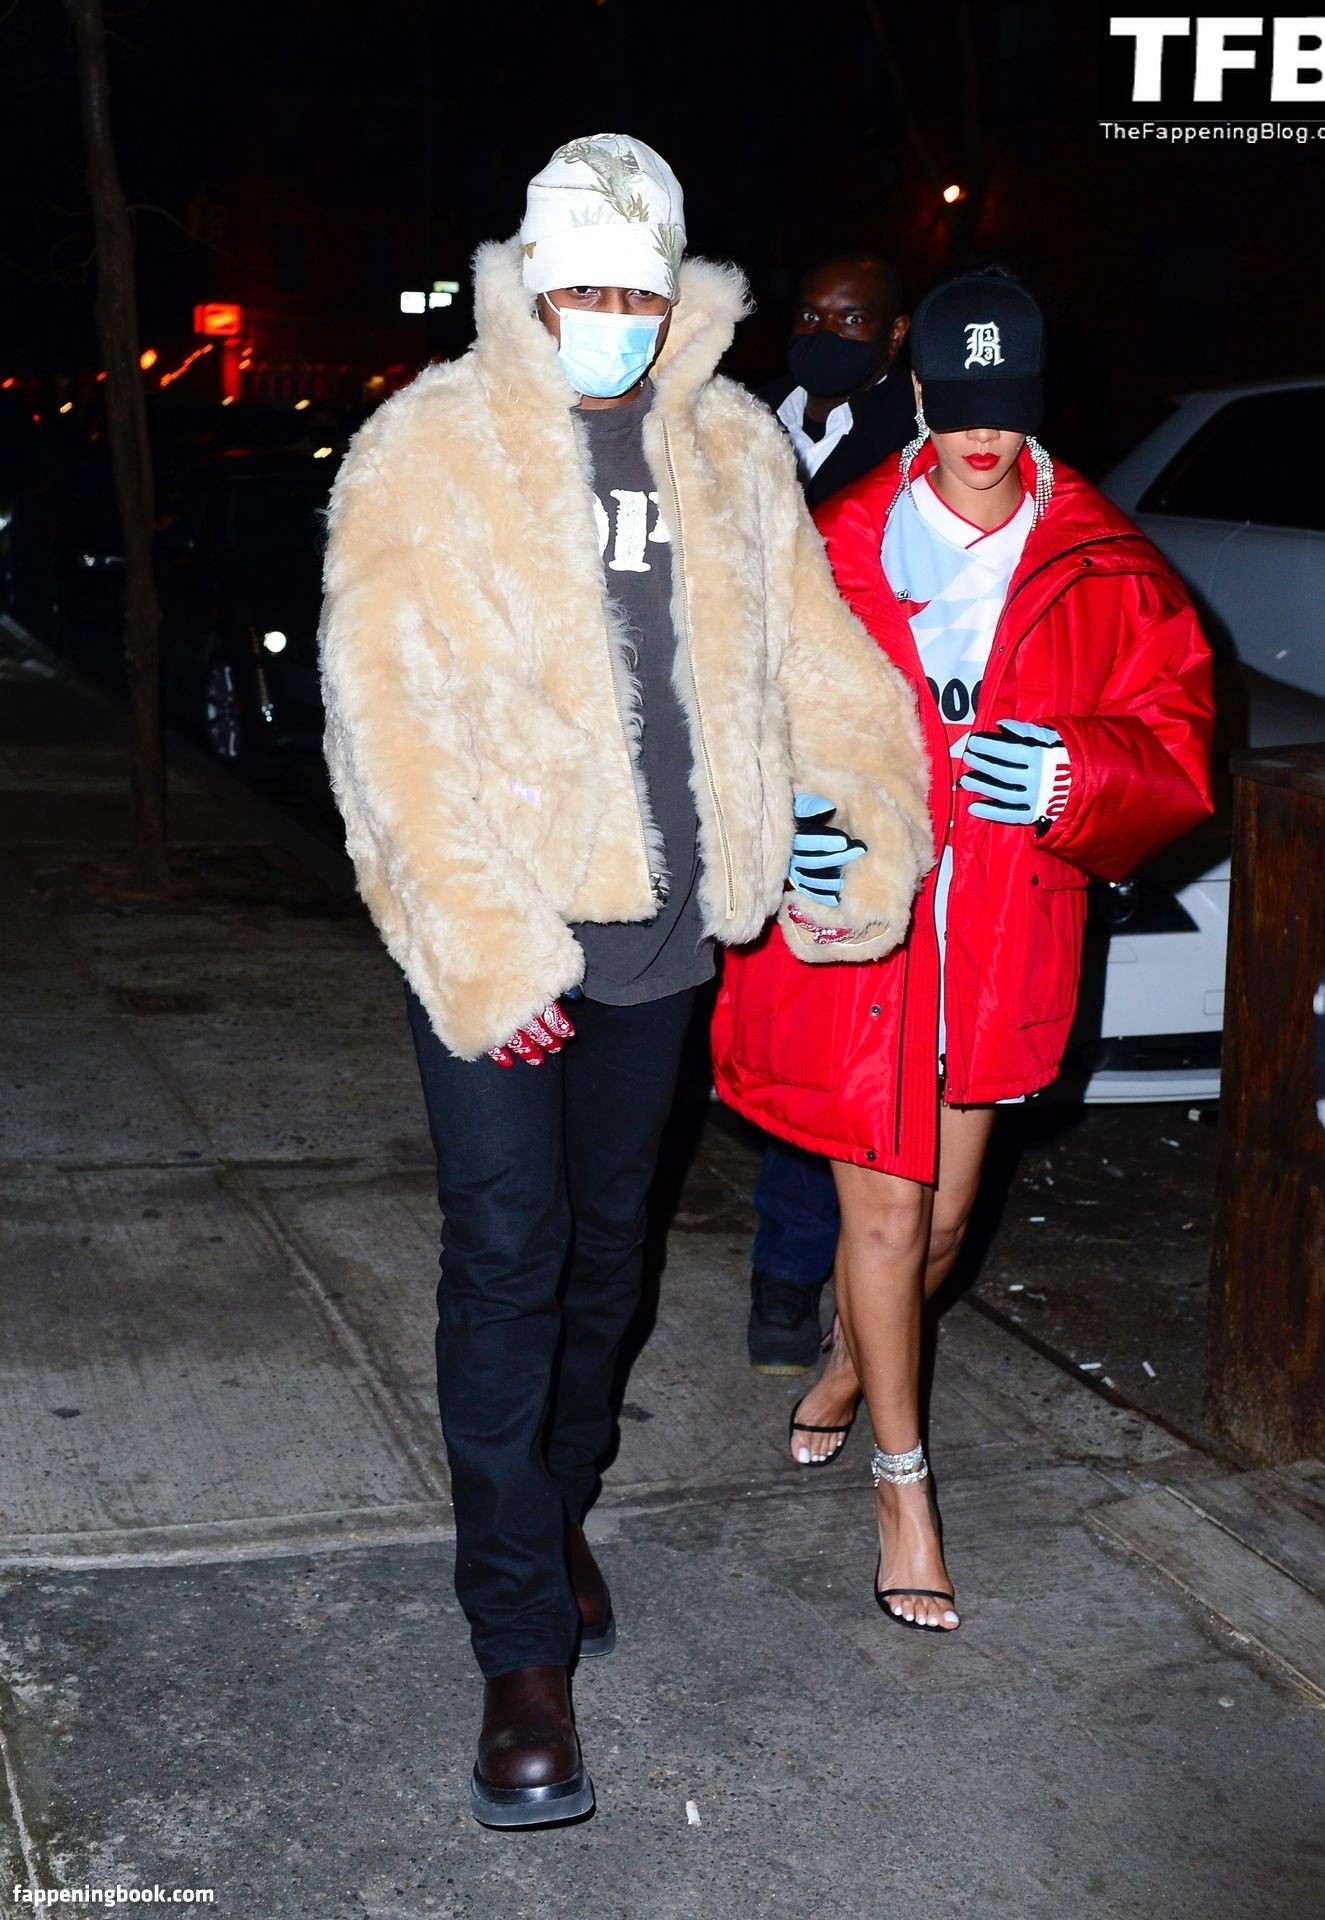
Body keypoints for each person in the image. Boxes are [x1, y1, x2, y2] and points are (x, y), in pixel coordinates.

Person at [319, 133, 930, 1828]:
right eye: (578, 288)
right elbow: (384, 720)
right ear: (529, 284)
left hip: (662, 939)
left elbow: (818, 668)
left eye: (635, 294)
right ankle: (518, 1645)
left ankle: (555, 1500)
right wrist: (478, 950)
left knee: (607, 1259)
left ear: (675, 299)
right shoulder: (429, 446)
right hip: (502, 936)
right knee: (508, 1261)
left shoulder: (730, 446)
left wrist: (860, 821)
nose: (608, 318)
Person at [713, 270, 1214, 1633]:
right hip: (867, 926)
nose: (984, 437)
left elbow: (1173, 743)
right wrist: (788, 827)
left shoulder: (1102, 560)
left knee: (939, 1227)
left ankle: (843, 1370)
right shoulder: (834, 543)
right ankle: (905, 1486)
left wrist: (1073, 778)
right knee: (883, 1217)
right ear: (920, 392)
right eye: (961, 405)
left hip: (997, 931)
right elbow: (741, 715)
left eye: (1011, 407)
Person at [747, 252, 921, 1374]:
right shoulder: (744, 423)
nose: (824, 334)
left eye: (851, 320)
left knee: (828, 1027)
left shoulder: (916, 445)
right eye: (810, 315)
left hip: (845, 767)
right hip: (734, 759)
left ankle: (786, 1277)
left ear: (894, 334)